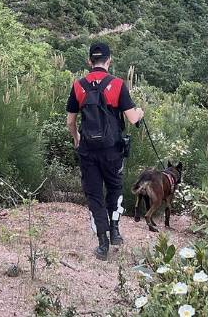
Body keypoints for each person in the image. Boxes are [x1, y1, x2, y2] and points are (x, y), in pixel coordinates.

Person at [66, 42, 144, 260]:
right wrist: (140, 112)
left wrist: (77, 139)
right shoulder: (118, 85)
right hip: (112, 150)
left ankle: (102, 243)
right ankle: (116, 231)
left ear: (89, 61)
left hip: (88, 150)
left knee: (94, 194)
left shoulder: (79, 85)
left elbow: (70, 121)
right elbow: (132, 118)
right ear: (109, 60)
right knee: (115, 188)